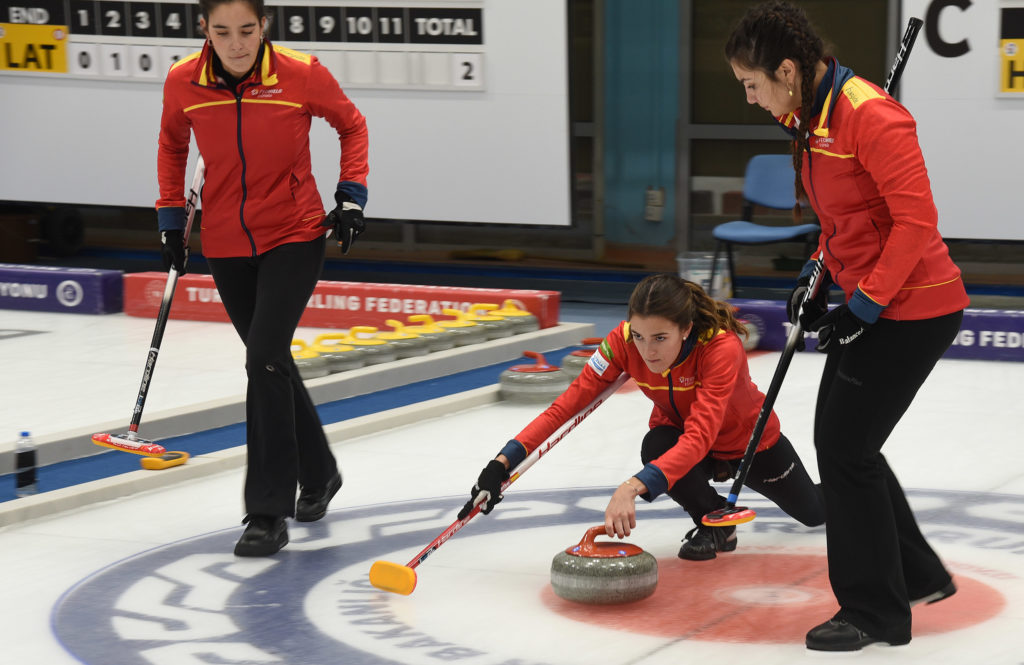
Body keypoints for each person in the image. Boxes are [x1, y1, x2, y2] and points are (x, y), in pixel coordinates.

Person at [725, 1, 968, 652]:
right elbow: (845, 220)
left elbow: (915, 223)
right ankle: (916, 574)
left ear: (785, 69)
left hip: (915, 306)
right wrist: (818, 269)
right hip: (873, 298)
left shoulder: (869, 113)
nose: (750, 99)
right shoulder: (808, 115)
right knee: (849, 442)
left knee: (844, 448)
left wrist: (865, 304)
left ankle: (874, 612)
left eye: (752, 84)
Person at [155, 0, 369, 556]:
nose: (236, 43)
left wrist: (351, 195)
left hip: (295, 234)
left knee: (262, 358)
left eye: (247, 30)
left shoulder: (301, 74)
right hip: (224, 242)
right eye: (222, 31)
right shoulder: (184, 82)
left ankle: (267, 511)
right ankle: (320, 472)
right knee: (270, 360)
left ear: (264, 27)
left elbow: (352, 125)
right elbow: (173, 145)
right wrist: (170, 217)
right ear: (204, 30)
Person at [459, 273, 825, 562]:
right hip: (680, 442)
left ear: (685, 329)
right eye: (638, 336)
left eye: (660, 338)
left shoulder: (720, 347)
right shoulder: (620, 342)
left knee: (813, 512)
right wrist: (502, 462)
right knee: (657, 444)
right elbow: (565, 407)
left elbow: (701, 435)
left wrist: (631, 487)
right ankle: (714, 525)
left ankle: (868, 483)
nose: (647, 351)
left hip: (747, 443)